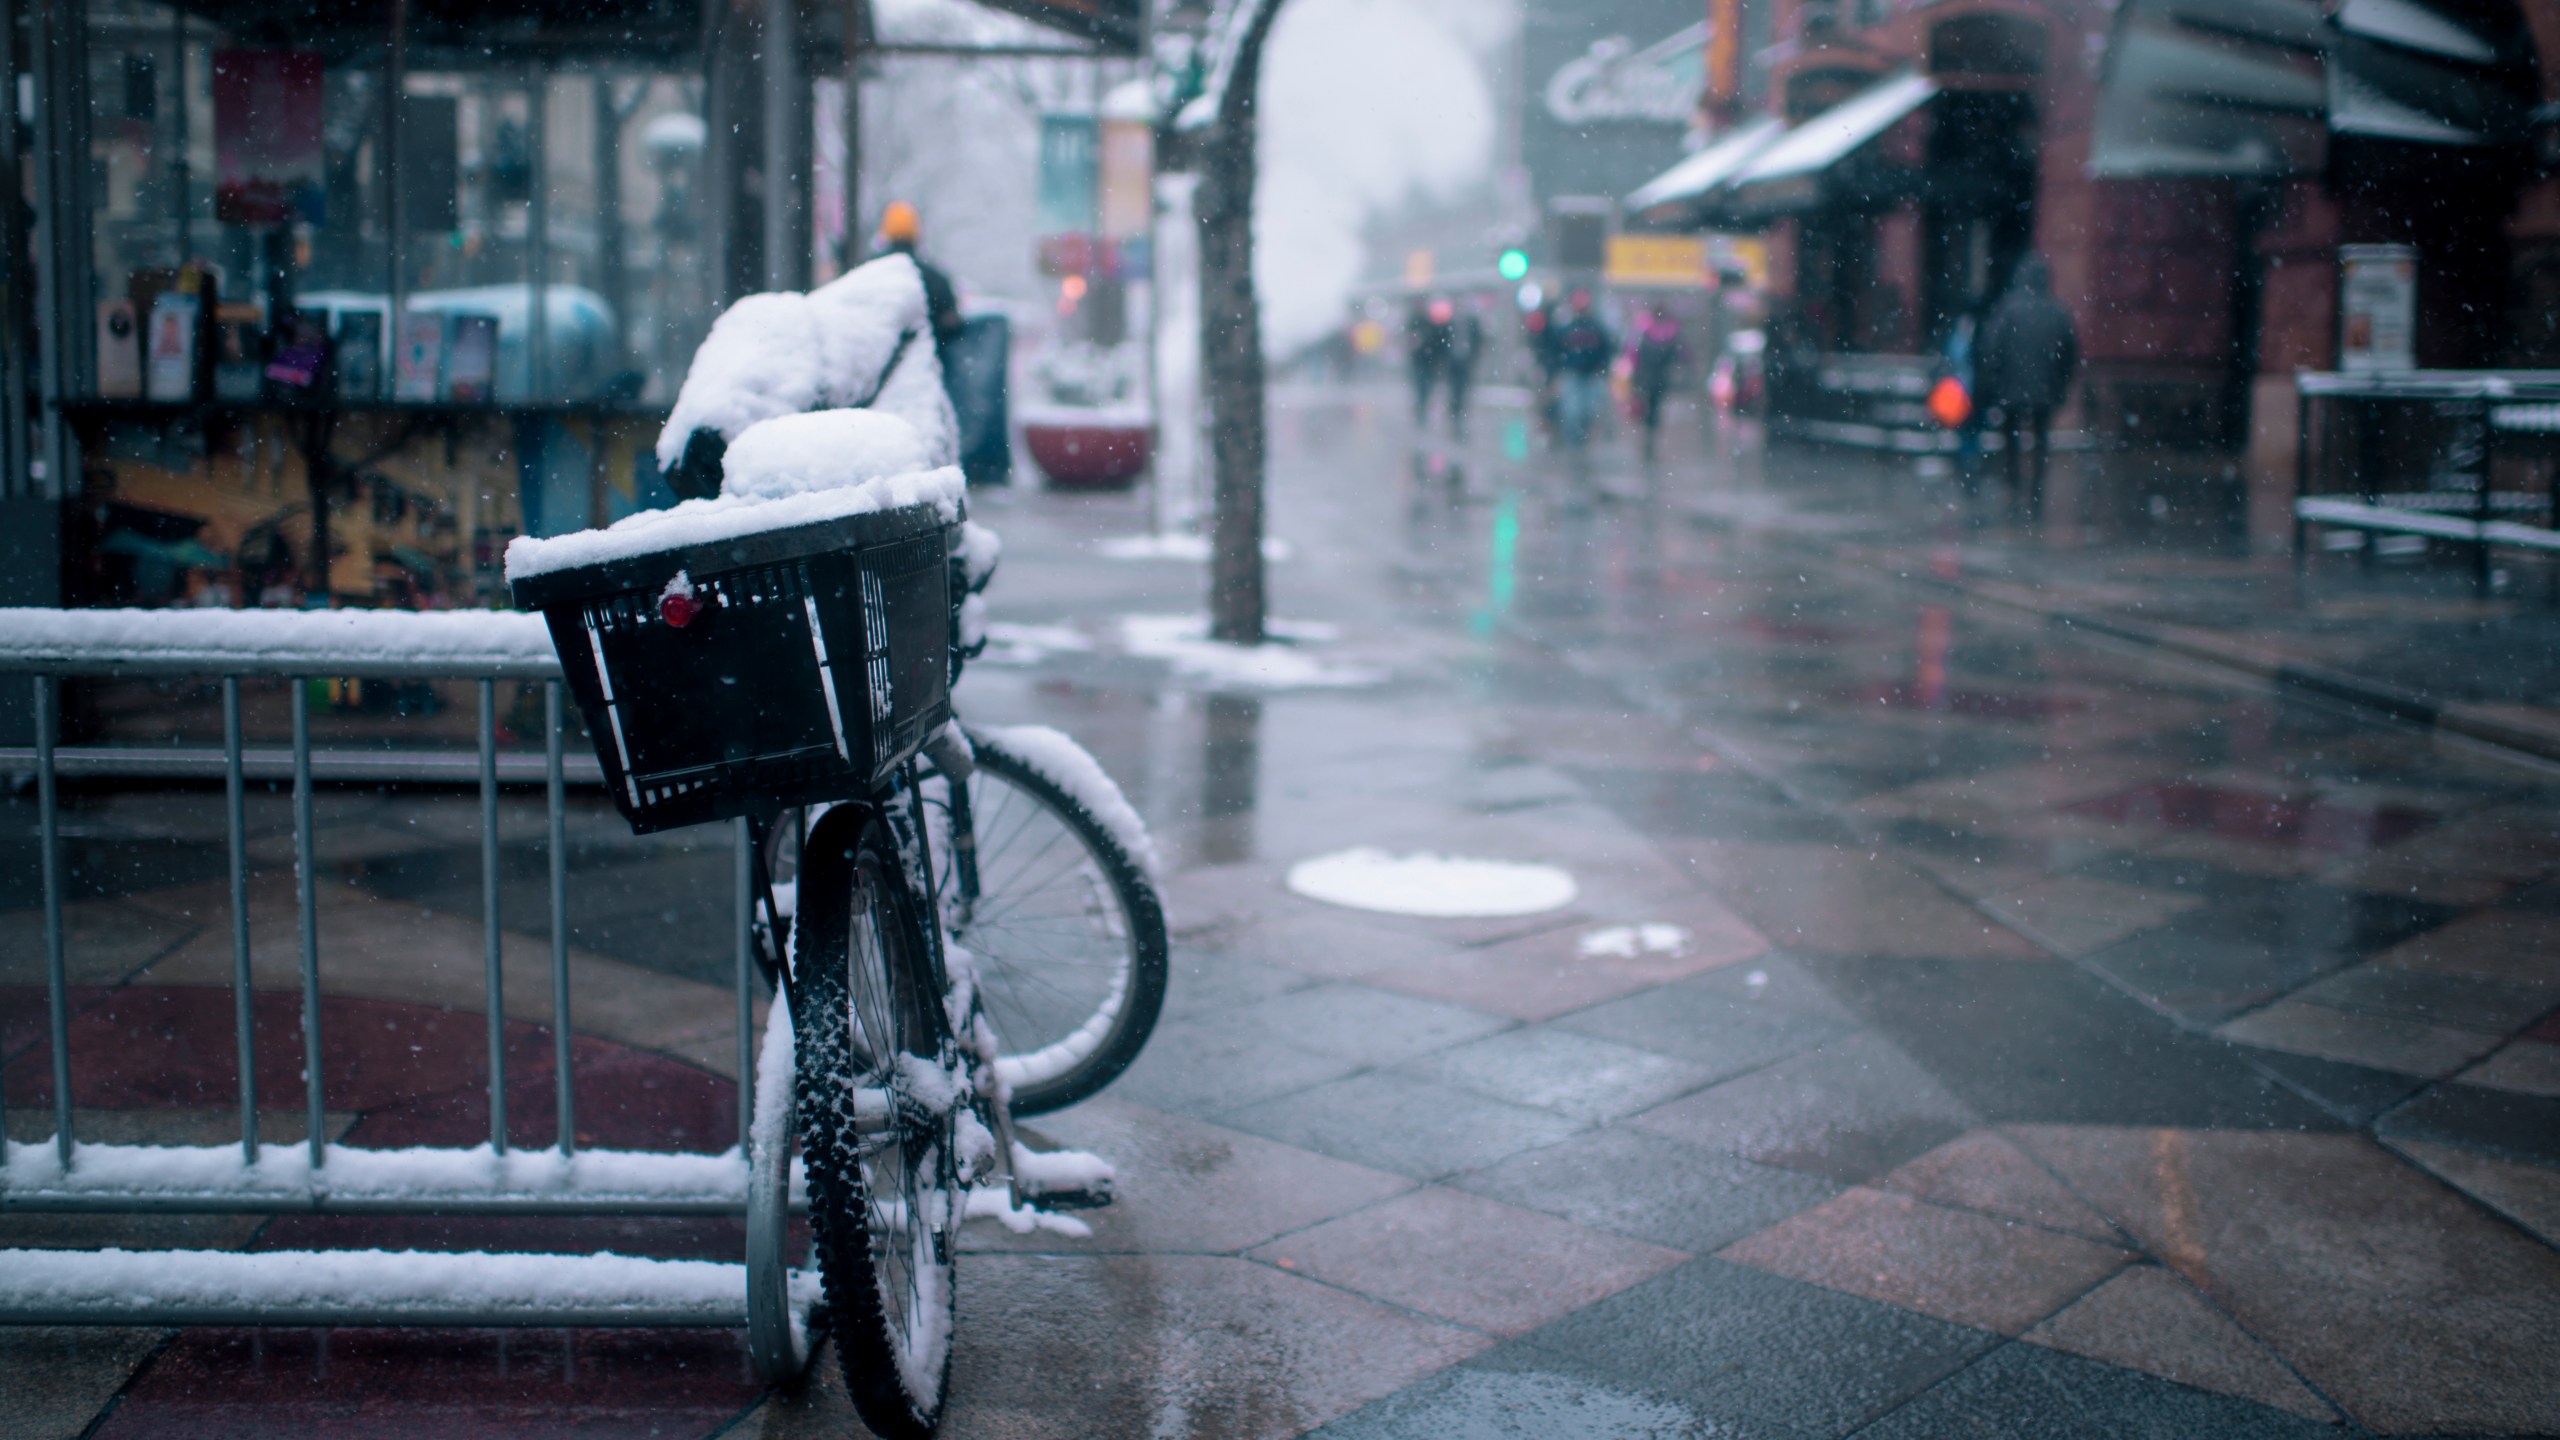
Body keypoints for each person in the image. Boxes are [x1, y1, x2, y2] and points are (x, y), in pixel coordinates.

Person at [1977, 255, 2079, 521]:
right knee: (2040, 441)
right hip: (2045, 391)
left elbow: (1991, 350)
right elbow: (2070, 354)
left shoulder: (2008, 310)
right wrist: (2060, 385)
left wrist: (1995, 385)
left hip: (2011, 390)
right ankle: (2036, 493)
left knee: (2010, 442)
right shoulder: (2058, 312)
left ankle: (2013, 491)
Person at [876, 200, 965, 357]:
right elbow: (952, 324)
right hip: (925, 366)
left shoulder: (870, 273)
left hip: (878, 370)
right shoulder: (935, 279)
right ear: (917, 232)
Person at [1550, 290, 1615, 457]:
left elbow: (1607, 350)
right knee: (1571, 412)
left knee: (1589, 411)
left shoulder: (1596, 328)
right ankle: (1574, 442)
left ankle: (1581, 439)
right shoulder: (1567, 328)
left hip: (1591, 375)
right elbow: (1556, 351)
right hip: (1572, 374)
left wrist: (1602, 369)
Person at [1629, 309, 1684, 462]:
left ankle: (1650, 429)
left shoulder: (1646, 330)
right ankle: (1650, 428)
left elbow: (1634, 352)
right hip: (1654, 377)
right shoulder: (1666, 331)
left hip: (1650, 376)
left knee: (1651, 404)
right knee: (1653, 405)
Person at [1405, 299, 1450, 427]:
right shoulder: (1415, 323)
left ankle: (1422, 407)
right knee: (1421, 385)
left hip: (1427, 361)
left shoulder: (1428, 323)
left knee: (1425, 385)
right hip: (1421, 361)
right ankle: (1421, 407)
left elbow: (1437, 342)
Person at [1442, 299, 1484, 438]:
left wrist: (1474, 355)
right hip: (1453, 361)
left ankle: (1460, 409)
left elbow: (1479, 340)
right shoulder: (1449, 324)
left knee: (1463, 386)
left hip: (1466, 360)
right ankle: (1455, 409)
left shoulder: (1471, 323)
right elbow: (1442, 341)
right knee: (1454, 387)